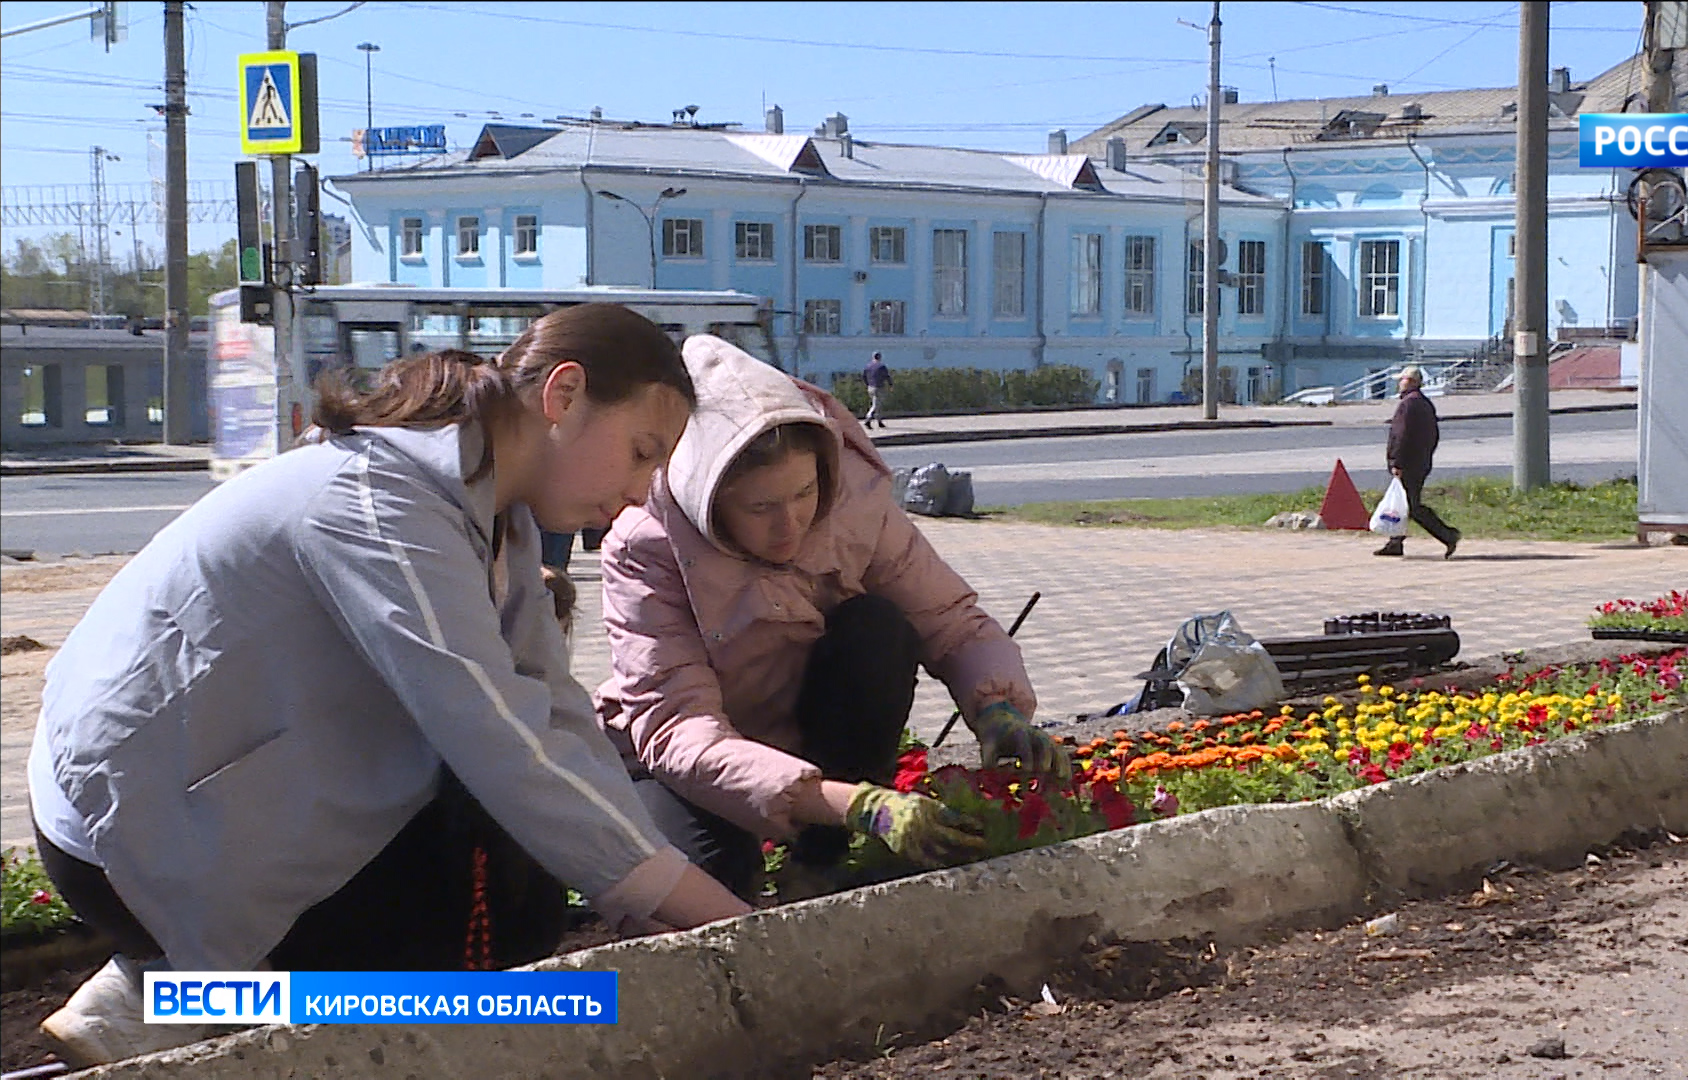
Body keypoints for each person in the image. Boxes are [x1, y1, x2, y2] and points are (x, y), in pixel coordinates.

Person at [27, 304, 752, 1067]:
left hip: (211, 800)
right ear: (563, 395)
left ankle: (168, 996)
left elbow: (555, 709)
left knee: (521, 906)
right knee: (473, 934)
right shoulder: (378, 503)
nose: (640, 493)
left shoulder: (495, 513)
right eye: (642, 452)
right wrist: (712, 917)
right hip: (133, 828)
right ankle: (194, 995)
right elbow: (502, 741)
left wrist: (669, 893)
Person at [595, 335, 1069, 901]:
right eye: (761, 508)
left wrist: (995, 707)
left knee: (880, 629)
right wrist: (860, 805)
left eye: (803, 492)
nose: (790, 523)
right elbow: (677, 727)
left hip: (811, 727)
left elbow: (949, 618)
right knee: (708, 895)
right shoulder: (647, 546)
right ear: (709, 500)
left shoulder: (853, 506)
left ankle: (818, 863)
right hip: (688, 765)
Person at [1377, 365, 1461, 559]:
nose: (1399, 383)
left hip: (1408, 464)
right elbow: (1433, 435)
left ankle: (1448, 535)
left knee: (1412, 506)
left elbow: (1401, 435)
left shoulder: (1409, 404)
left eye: (1402, 379)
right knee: (1403, 503)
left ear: (1412, 382)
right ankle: (1395, 542)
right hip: (1420, 462)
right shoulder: (1424, 403)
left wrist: (1396, 461)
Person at [862, 351, 892, 430]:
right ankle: (867, 420)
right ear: (880, 357)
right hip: (879, 387)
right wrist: (891, 385)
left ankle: (879, 422)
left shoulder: (868, 366)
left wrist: (867, 384)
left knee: (877, 404)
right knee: (876, 405)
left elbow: (864, 376)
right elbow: (887, 376)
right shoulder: (881, 366)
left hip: (870, 387)